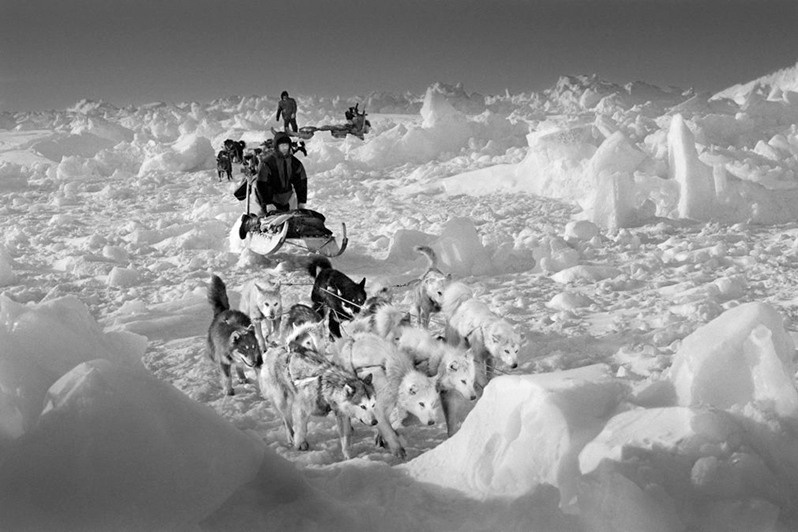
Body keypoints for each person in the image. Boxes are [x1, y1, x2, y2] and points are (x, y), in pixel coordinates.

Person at [251, 131, 307, 214]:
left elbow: (301, 182)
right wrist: (267, 203)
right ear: (277, 147)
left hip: (287, 199)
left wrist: (301, 201)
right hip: (270, 199)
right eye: (282, 146)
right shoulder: (267, 163)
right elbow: (262, 184)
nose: (285, 148)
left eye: (286, 145)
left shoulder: (295, 163)